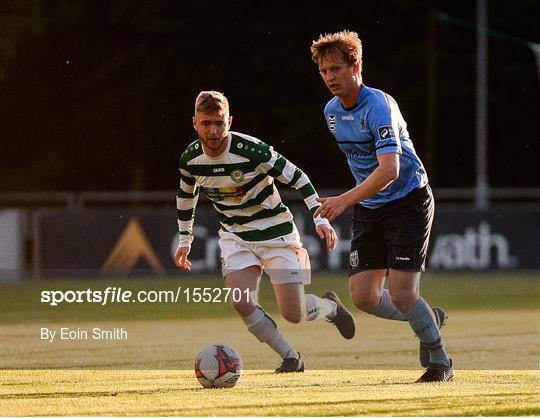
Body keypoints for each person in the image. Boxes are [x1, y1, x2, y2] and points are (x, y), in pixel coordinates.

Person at [175, 90, 356, 373]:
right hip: (236, 237)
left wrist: (320, 218)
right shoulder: (189, 159)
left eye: (219, 123)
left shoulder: (252, 150)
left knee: (293, 314)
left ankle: (329, 307)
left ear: (230, 122)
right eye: (206, 123)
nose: (213, 131)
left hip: (277, 234)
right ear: (194, 123)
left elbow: (297, 176)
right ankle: (291, 357)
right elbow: (186, 197)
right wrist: (185, 238)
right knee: (242, 302)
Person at [310, 30, 454, 382]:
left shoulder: (379, 106)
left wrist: (344, 200)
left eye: (336, 69)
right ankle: (426, 318)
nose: (329, 77)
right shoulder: (331, 112)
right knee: (363, 297)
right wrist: (356, 199)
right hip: (371, 205)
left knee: (404, 293)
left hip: (408, 201)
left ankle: (440, 362)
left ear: (356, 66)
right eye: (324, 71)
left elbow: (390, 170)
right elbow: (362, 165)